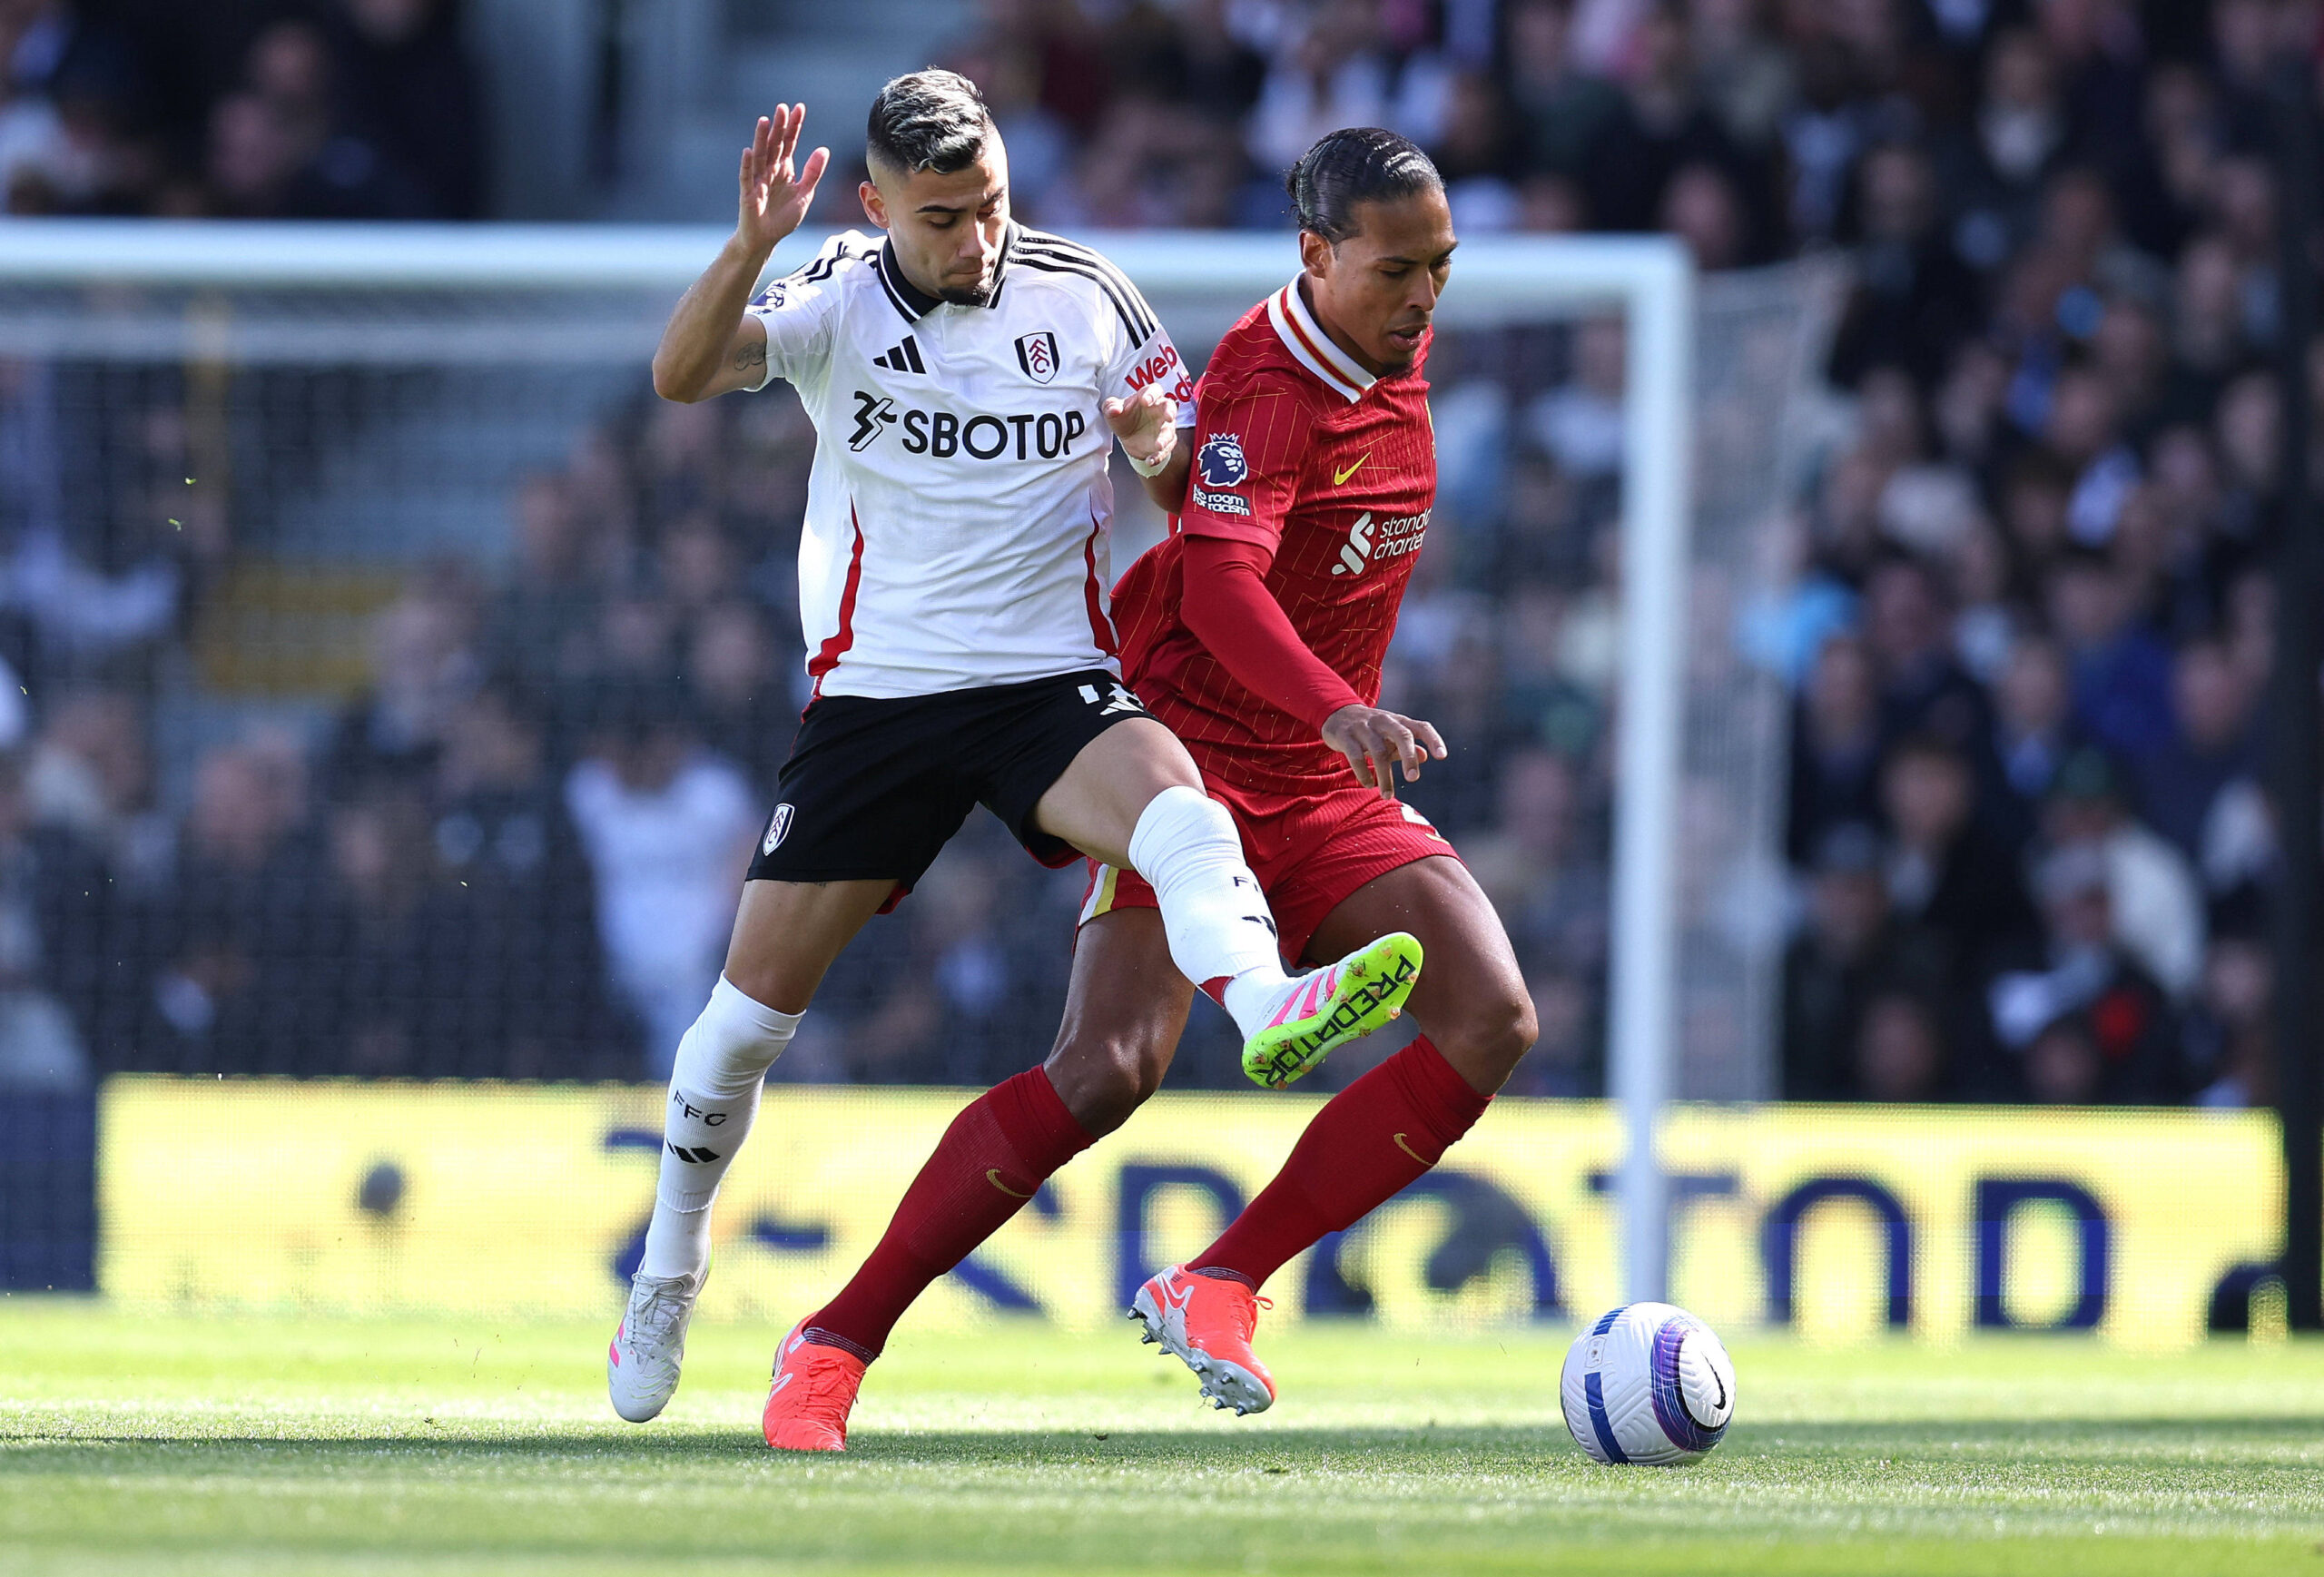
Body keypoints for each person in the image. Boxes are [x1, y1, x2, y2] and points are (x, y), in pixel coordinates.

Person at [607, 77, 1423, 1432]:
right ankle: (670, 1268)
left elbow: (1179, 479)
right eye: (943, 220)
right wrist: (749, 245)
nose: (978, 239)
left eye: (990, 206)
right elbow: (682, 375)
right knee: (739, 1031)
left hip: (1049, 682)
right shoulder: (833, 292)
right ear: (877, 210)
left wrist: (1160, 444)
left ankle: (1267, 996)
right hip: (879, 701)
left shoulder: (1088, 292)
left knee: (1175, 789)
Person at [763, 128, 1532, 1447]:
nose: (1424, 295)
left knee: (1492, 1014)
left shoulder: (1389, 345)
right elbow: (1223, 581)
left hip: (1321, 771)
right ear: (1317, 253)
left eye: (1442, 269)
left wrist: (1331, 719)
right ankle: (833, 1339)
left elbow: (1200, 500)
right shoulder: (1270, 380)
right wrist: (1339, 706)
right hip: (1200, 761)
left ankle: (1222, 1277)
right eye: (1399, 270)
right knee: (1109, 1069)